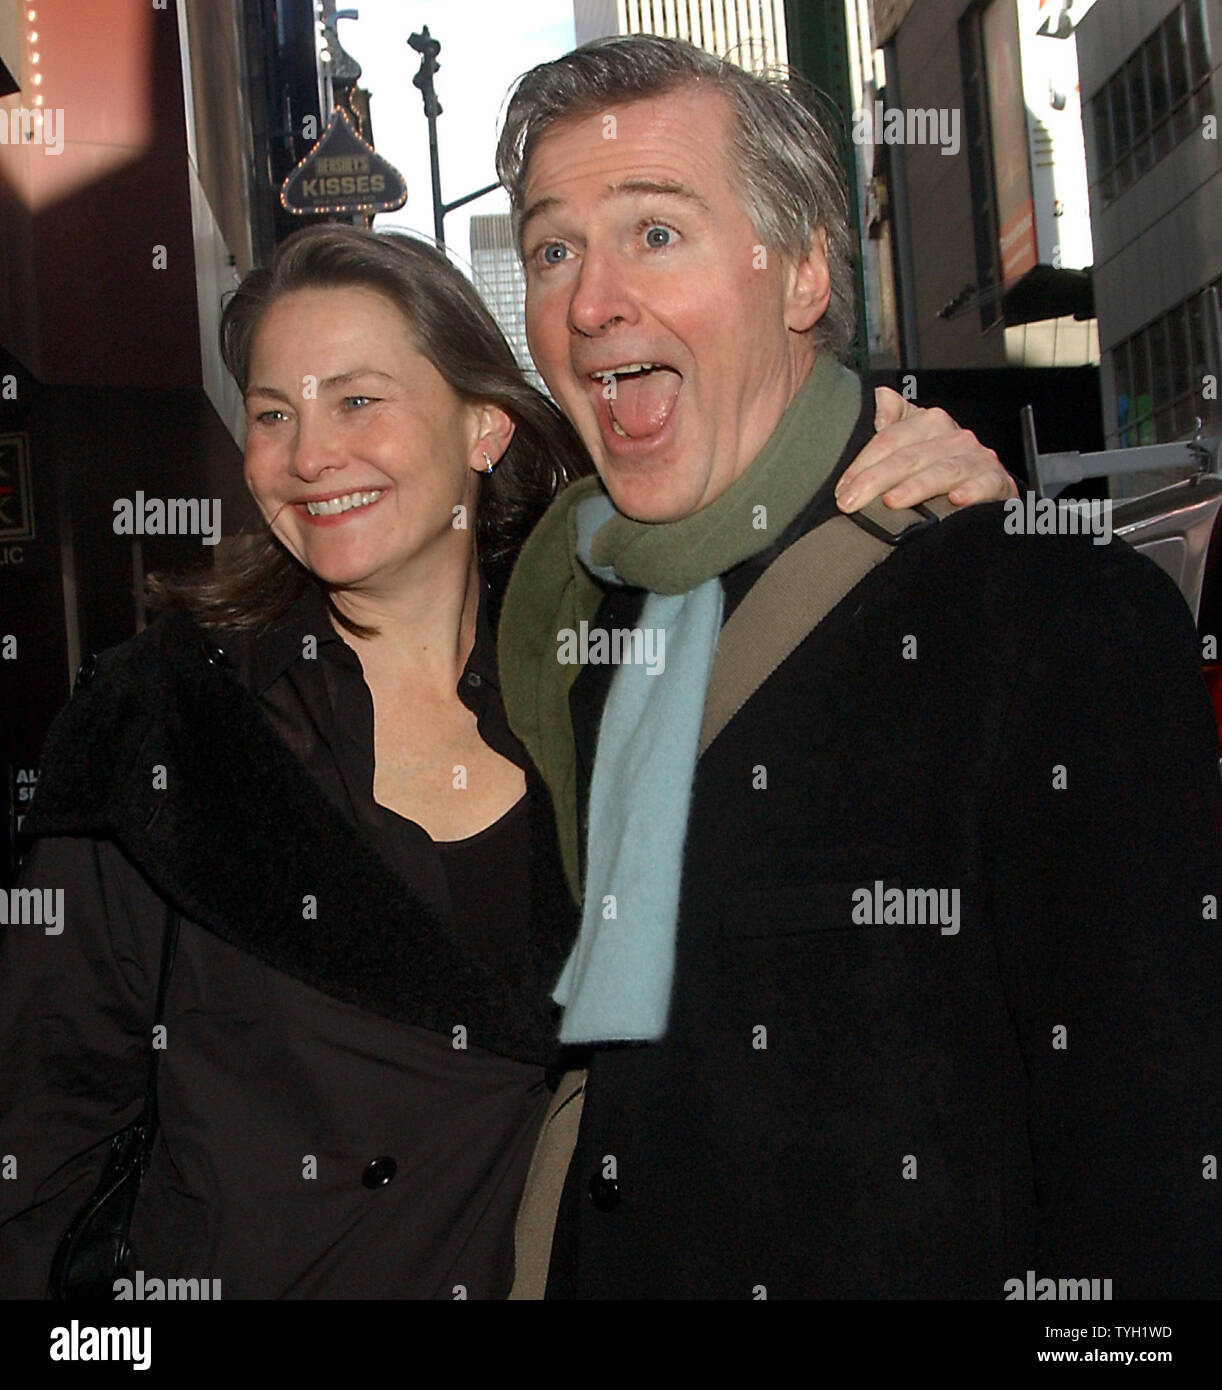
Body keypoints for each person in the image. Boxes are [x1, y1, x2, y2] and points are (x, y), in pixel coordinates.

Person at [0, 223, 1011, 1299]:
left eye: (356, 400)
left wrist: (962, 508)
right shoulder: (163, 720)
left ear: (483, 425)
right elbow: (41, 1125)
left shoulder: (617, 687)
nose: (308, 455)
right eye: (271, 413)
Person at [492, 35, 1222, 1298]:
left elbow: (1154, 1178)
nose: (592, 299)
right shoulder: (559, 632)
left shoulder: (1044, 616)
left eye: (655, 233)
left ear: (806, 274)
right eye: (554, 249)